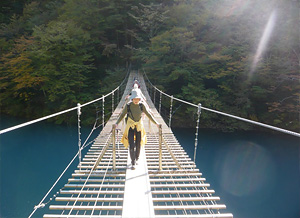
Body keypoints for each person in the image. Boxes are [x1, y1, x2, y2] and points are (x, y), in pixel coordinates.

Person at [114, 89, 159, 169]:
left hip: (139, 126)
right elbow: (122, 115)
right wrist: (117, 123)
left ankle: (137, 158)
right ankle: (133, 162)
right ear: (132, 98)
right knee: (131, 144)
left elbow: (148, 114)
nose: (136, 100)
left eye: (137, 99)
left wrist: (156, 123)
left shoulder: (142, 105)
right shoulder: (128, 105)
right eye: (134, 99)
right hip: (130, 126)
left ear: (139, 99)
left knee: (138, 144)